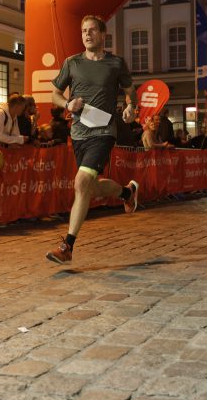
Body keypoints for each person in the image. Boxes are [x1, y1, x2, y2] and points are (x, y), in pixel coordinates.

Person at [45, 15, 138, 265]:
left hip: (104, 131)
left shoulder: (116, 63)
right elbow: (54, 94)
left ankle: (67, 246)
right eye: (84, 31)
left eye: (92, 30)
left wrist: (131, 107)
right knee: (87, 187)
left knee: (81, 181)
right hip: (79, 133)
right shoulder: (72, 62)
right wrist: (67, 104)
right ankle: (126, 192)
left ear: (103, 34)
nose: (87, 34)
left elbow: (130, 92)